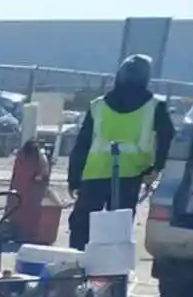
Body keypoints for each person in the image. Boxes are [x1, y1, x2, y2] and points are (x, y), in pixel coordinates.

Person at [67, 54, 175, 248]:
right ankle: (111, 272)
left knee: (82, 227)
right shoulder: (154, 106)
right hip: (130, 175)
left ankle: (76, 267)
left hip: (94, 174)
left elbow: (81, 145)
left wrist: (74, 179)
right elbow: (167, 136)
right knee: (117, 230)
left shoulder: (98, 105)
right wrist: (156, 167)